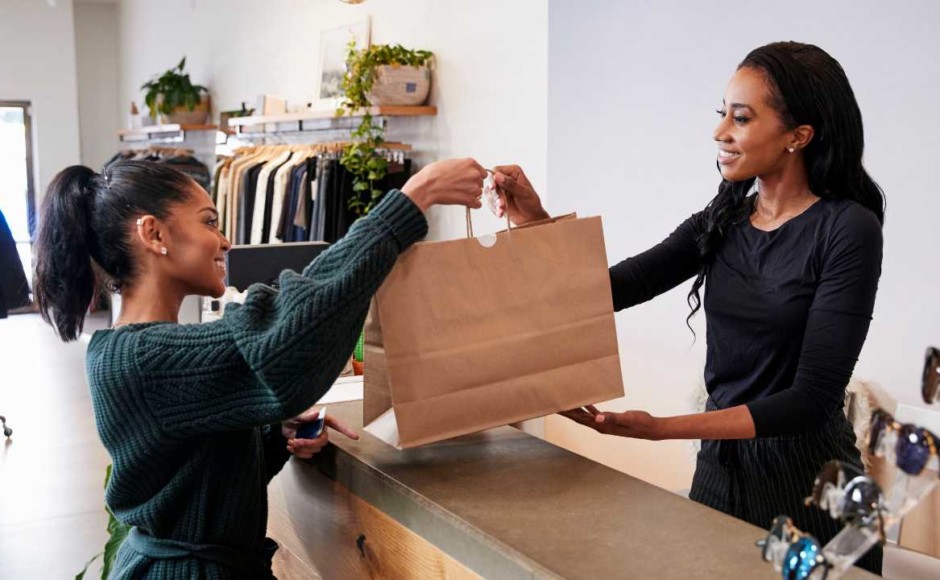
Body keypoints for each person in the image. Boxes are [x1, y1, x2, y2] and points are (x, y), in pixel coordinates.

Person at [493, 41, 884, 574]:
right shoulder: (721, 220)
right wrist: (532, 221)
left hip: (811, 493)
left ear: (799, 136)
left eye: (740, 118)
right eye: (721, 113)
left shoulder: (847, 229)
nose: (720, 131)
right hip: (719, 481)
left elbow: (811, 400)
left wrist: (659, 428)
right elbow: (608, 290)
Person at [33, 157, 486, 577]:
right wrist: (411, 199)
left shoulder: (142, 350)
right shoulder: (140, 359)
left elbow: (194, 470)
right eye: (209, 222)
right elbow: (286, 336)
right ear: (153, 235)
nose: (225, 240)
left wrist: (273, 434)